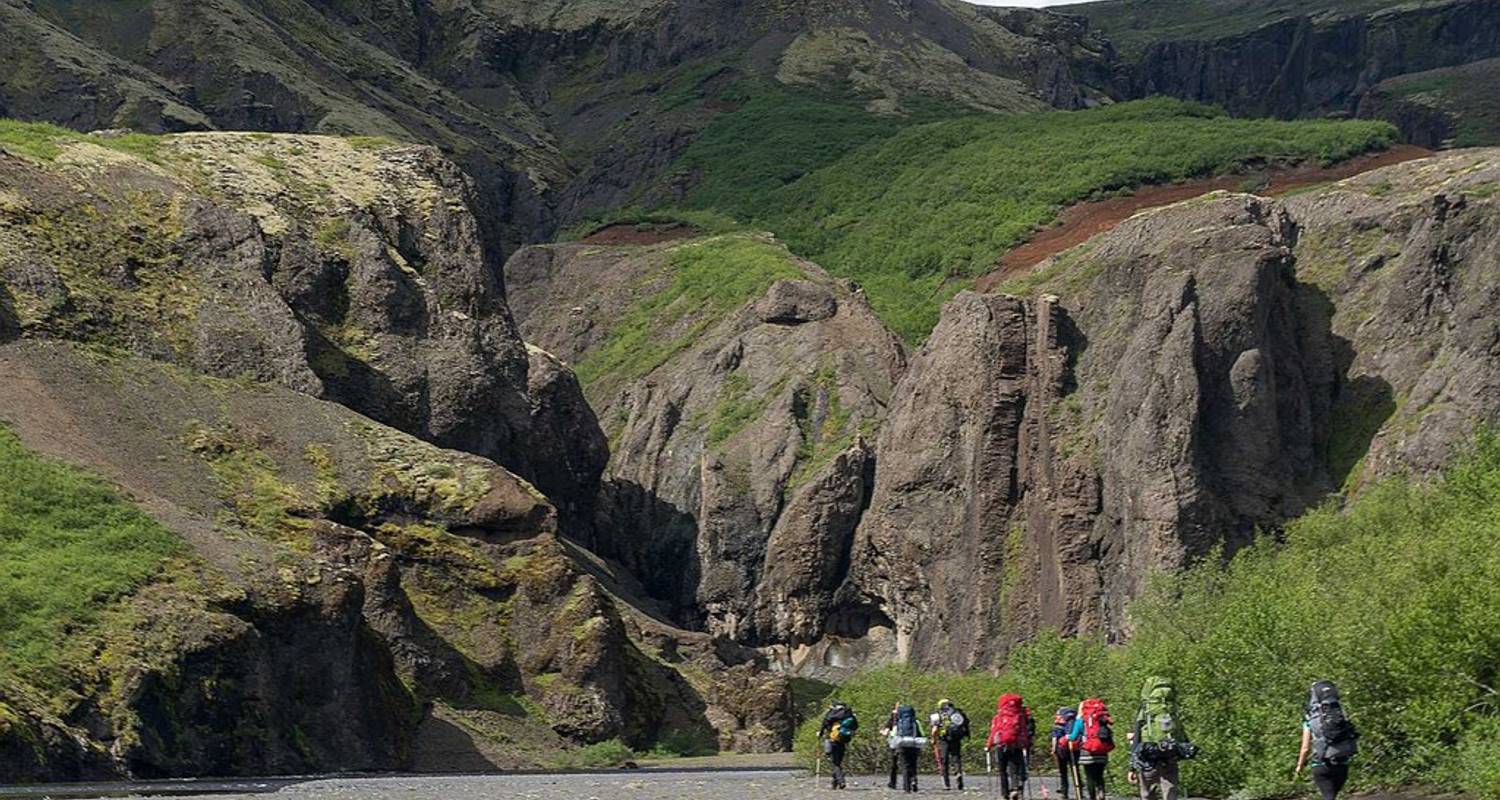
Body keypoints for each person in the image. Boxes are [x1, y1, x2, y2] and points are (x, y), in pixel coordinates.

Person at [1128, 677, 1196, 800]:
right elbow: (1180, 731)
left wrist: (1132, 767)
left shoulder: (1146, 710)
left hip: (1149, 756)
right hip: (1169, 754)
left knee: (1147, 792)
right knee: (1170, 789)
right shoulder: (1171, 709)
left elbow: (1137, 737)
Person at [1295, 681, 1359, 800]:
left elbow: (1305, 748)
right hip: (1342, 763)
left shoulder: (1310, 719)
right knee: (1332, 796)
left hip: (1321, 765)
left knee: (1328, 797)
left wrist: (1299, 766)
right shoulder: (1341, 713)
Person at [986, 693, 1035, 800]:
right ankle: (1015, 788)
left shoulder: (998, 716)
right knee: (1015, 769)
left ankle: (1004, 793)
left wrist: (988, 745)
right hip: (1016, 745)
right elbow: (1024, 731)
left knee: (1002, 770)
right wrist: (1026, 744)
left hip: (1001, 745)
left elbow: (994, 731)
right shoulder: (1020, 716)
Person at [1068, 698, 1115, 800]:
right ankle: (1101, 792)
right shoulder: (1101, 719)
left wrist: (1067, 737)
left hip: (1087, 751)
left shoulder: (1080, 721)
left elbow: (1073, 737)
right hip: (1102, 751)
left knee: (1089, 776)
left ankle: (1092, 797)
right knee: (1099, 775)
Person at [819, 700, 859, 790]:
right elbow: (856, 726)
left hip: (831, 739)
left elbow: (824, 724)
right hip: (843, 740)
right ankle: (834, 783)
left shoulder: (831, 714)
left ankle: (841, 781)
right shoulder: (849, 714)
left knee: (834, 762)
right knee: (838, 761)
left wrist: (820, 734)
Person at [887, 703, 926, 792]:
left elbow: (894, 734)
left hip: (902, 746)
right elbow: (922, 734)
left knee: (905, 766)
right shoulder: (916, 722)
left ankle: (906, 787)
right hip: (914, 745)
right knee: (913, 765)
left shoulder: (899, 722)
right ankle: (914, 781)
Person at [933, 698, 971, 790]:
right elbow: (966, 723)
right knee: (956, 758)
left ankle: (946, 784)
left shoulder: (939, 714)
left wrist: (933, 739)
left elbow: (934, 729)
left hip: (944, 739)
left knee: (944, 761)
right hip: (956, 738)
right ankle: (958, 773)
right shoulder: (958, 712)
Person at [1050, 706, 1079, 799]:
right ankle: (1079, 791)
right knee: (1075, 769)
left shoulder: (1058, 724)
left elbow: (1055, 738)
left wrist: (1053, 749)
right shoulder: (1075, 722)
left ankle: (1064, 792)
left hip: (1061, 750)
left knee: (1063, 772)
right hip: (1074, 749)